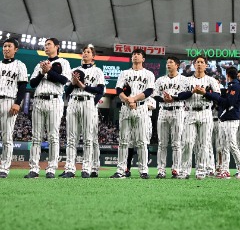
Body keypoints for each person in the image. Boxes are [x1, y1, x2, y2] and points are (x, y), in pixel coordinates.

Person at [26, 37, 71, 178]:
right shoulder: (39, 65)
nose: (46, 47)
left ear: (57, 46)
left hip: (54, 100)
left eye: (49, 44)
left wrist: (50, 71)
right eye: (45, 45)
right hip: (38, 100)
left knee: (53, 136)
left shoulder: (63, 62)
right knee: (36, 137)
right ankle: (34, 168)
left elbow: (64, 80)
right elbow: (32, 83)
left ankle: (51, 168)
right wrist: (42, 72)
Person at [0, 38, 27, 178]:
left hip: (9, 101)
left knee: (7, 137)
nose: (6, 48)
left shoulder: (20, 65)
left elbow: (22, 86)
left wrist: (17, 103)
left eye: (9, 46)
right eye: (4, 46)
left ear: (16, 49)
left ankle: (4, 169)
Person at [112, 49, 155, 179]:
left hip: (141, 108)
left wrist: (134, 99)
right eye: (134, 54)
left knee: (142, 141)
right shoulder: (124, 73)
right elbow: (118, 89)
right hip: (126, 107)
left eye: (138, 54)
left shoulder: (149, 74)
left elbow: (149, 91)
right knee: (124, 141)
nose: (135, 56)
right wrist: (127, 99)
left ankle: (143, 171)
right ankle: (121, 170)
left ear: (143, 59)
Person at [63, 43, 105, 178]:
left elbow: (100, 90)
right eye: (84, 51)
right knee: (71, 138)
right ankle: (70, 168)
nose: (85, 53)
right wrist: (74, 84)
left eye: (88, 52)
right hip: (73, 102)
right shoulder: (75, 70)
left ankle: (86, 168)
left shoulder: (97, 71)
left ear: (93, 56)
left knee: (88, 138)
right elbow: (67, 91)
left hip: (88, 102)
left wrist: (84, 87)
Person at [201, 66, 240, 179]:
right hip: (225, 118)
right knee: (223, 146)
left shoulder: (235, 86)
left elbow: (228, 103)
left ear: (227, 75)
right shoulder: (231, 86)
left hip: (232, 119)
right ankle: (225, 170)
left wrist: (207, 94)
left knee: (232, 144)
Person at [180, 56, 219, 179]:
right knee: (187, 142)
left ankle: (201, 170)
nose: (200, 64)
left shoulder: (211, 80)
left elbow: (218, 97)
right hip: (190, 112)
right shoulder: (186, 80)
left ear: (206, 65)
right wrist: (192, 92)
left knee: (204, 144)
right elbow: (181, 95)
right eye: (197, 62)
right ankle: (184, 171)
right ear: (193, 64)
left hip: (206, 112)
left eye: (202, 62)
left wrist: (205, 93)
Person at [153, 56, 190, 178]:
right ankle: (161, 170)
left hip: (178, 110)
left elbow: (187, 94)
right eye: (167, 62)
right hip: (163, 110)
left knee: (176, 143)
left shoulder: (184, 79)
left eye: (171, 62)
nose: (168, 64)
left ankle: (176, 169)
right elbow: (154, 94)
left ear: (177, 65)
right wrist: (163, 99)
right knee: (162, 143)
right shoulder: (160, 80)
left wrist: (174, 98)